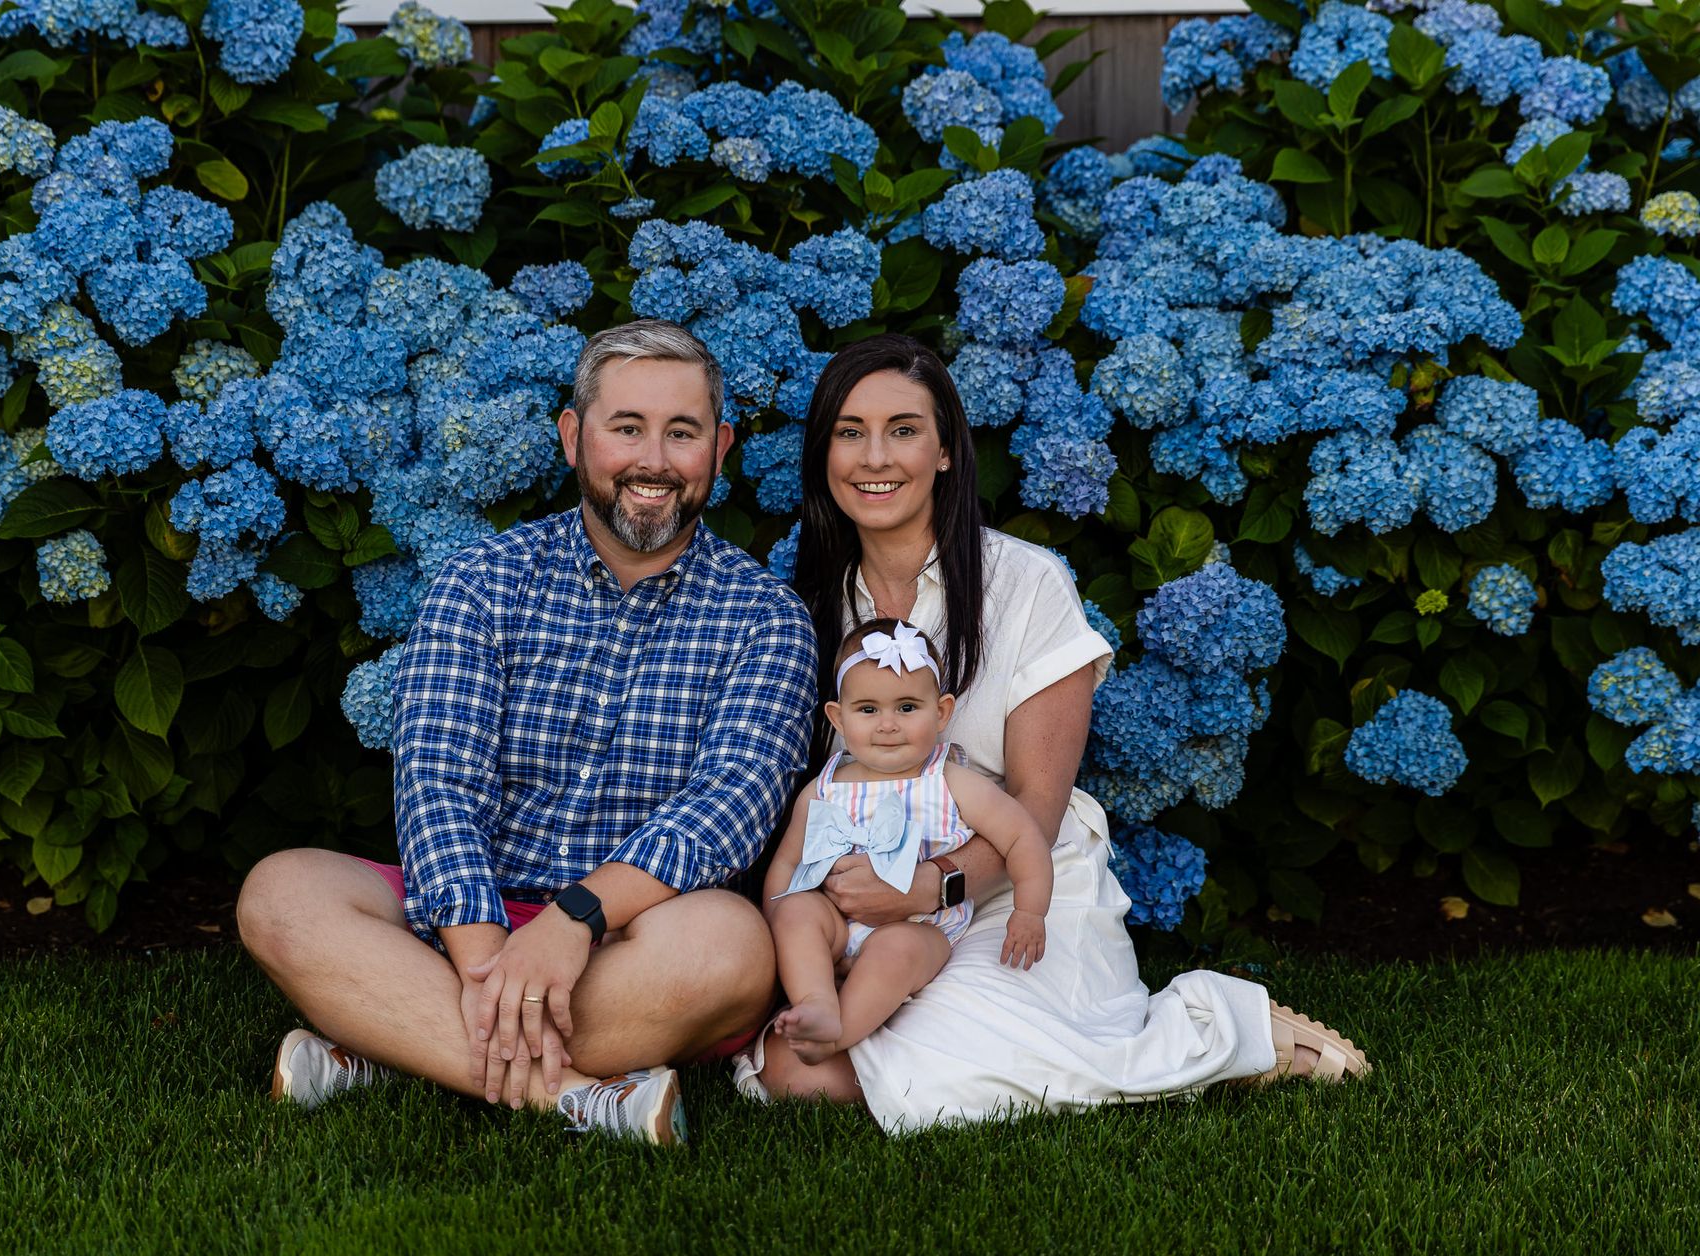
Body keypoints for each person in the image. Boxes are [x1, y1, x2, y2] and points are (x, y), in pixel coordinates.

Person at [733, 333, 1369, 1129]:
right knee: (801, 1074)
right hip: (863, 900)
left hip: (1015, 883)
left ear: (945, 453)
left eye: (903, 429)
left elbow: (1035, 803)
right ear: (823, 453)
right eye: (849, 431)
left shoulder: (1025, 580)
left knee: (943, 1070)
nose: (875, 457)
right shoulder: (805, 602)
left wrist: (933, 887)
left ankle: (1225, 1028)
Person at [237, 318, 818, 1146]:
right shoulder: (481, 580)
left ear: (719, 448)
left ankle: (386, 1039)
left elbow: (728, 808)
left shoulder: (767, 619)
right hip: (467, 911)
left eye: (681, 432)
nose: (654, 459)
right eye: (627, 428)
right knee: (282, 893)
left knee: (732, 947)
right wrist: (483, 957)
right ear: (573, 437)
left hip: (635, 936)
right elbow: (438, 781)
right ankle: (578, 1098)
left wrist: (572, 922)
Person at [765, 617, 1055, 1067]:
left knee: (896, 949)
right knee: (796, 908)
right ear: (838, 718)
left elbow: (1022, 837)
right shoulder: (823, 788)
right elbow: (785, 867)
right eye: (867, 710)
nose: (887, 725)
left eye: (906, 708)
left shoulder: (948, 780)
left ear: (940, 712)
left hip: (922, 925)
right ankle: (816, 1000)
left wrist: (1030, 909)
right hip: (837, 922)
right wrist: (780, 922)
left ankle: (839, 1033)